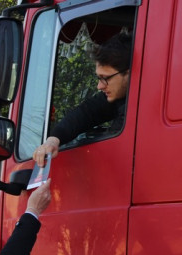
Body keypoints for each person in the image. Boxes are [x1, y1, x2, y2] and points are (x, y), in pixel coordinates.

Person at [33, 31, 132, 166]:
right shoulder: (120, 96)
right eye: (98, 78)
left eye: (105, 78)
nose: (99, 86)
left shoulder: (141, 109)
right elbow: (87, 112)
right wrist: (53, 140)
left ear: (129, 73)